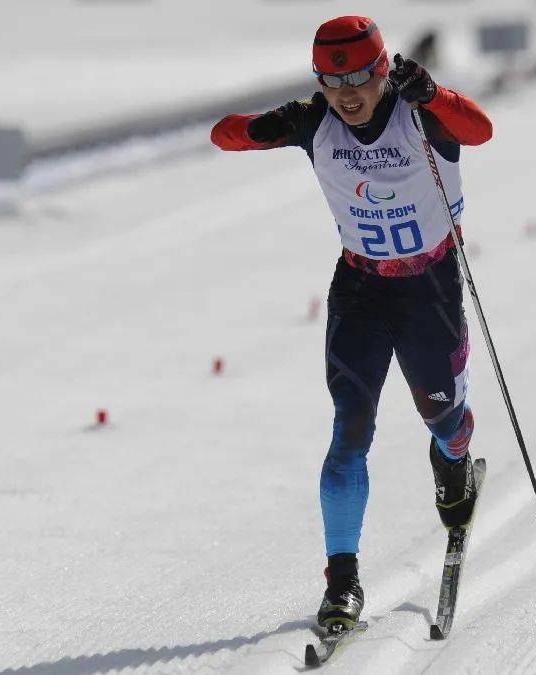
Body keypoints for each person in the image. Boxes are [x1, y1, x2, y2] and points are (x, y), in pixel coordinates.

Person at [210, 15, 493, 631]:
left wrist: (434, 94)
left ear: (383, 69)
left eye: (362, 78)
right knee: (349, 432)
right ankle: (342, 582)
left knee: (446, 422)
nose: (349, 95)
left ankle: (454, 463)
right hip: (360, 291)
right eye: (334, 82)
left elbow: (482, 128)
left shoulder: (418, 113)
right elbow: (222, 135)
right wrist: (269, 126)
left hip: (431, 290)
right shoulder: (317, 120)